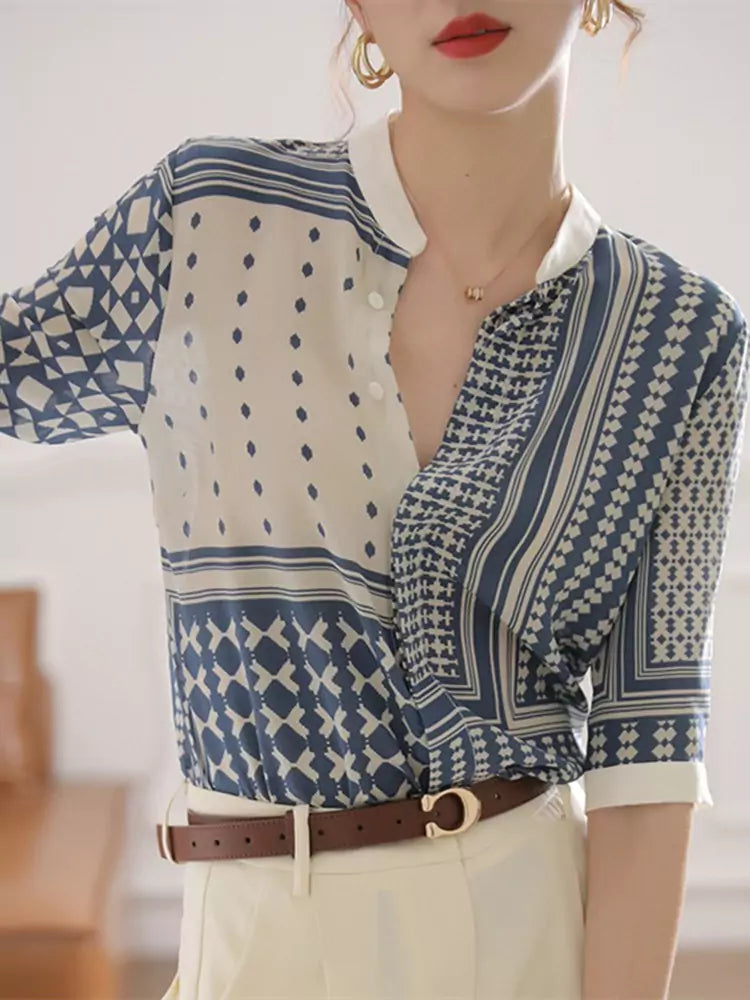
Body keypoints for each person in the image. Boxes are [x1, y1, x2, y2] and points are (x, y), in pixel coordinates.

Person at [2, 1, 747, 998]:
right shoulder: (206, 220)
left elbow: (648, 755)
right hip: (250, 930)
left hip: (520, 930)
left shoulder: (677, 335)